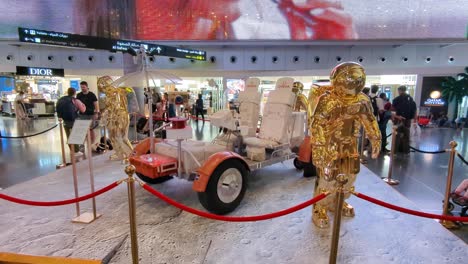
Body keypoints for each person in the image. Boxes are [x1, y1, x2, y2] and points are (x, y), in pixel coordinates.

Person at [310, 62, 380, 228]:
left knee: (350, 176)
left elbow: (369, 120)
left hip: (350, 145)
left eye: (357, 79)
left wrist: (376, 139)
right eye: (350, 78)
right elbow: (317, 124)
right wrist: (319, 149)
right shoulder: (328, 99)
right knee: (327, 178)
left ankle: (338, 202)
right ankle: (319, 207)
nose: (354, 82)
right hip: (329, 146)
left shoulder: (362, 100)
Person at [56, 88, 86, 156]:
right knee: (75, 136)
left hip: (65, 120)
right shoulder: (75, 100)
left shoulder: (62, 99)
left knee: (68, 136)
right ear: (74, 93)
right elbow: (83, 110)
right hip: (73, 120)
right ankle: (76, 151)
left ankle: (72, 150)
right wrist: (83, 105)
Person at [392, 85, 417, 154]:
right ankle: (406, 151)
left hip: (399, 119)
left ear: (399, 90)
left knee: (396, 135)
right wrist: (415, 120)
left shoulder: (397, 99)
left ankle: (394, 151)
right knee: (406, 136)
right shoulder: (411, 99)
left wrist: (396, 117)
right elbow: (414, 110)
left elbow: (393, 110)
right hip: (407, 120)